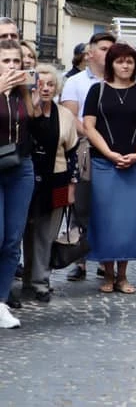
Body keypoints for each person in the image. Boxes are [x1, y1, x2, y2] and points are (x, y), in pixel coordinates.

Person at [82, 42, 136, 294]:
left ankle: (123, 275)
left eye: (129, 61)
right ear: (111, 64)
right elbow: (89, 127)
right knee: (105, 219)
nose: (125, 65)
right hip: (104, 163)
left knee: (129, 221)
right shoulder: (98, 90)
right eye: (120, 61)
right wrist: (110, 153)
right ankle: (108, 273)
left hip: (134, 164)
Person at [60, 32, 114, 281]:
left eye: (111, 48)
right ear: (90, 53)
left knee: (108, 204)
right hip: (84, 148)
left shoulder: (119, 81)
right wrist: (96, 137)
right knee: (81, 203)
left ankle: (106, 259)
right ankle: (79, 258)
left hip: (113, 150)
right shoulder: (76, 82)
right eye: (103, 48)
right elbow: (72, 116)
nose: (108, 53)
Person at [22, 65, 79, 304]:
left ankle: (41, 281)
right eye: (40, 83)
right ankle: (24, 279)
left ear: (57, 88)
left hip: (56, 179)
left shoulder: (65, 115)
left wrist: (72, 186)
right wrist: (32, 104)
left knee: (46, 234)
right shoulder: (23, 111)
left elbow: (72, 153)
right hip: (23, 179)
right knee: (21, 231)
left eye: (50, 84)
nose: (45, 88)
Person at [0, 39, 38, 328]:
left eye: (16, 62)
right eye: (6, 61)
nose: (13, 67)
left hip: (20, 166)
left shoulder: (23, 93)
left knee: (13, 239)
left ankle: (1, 302)